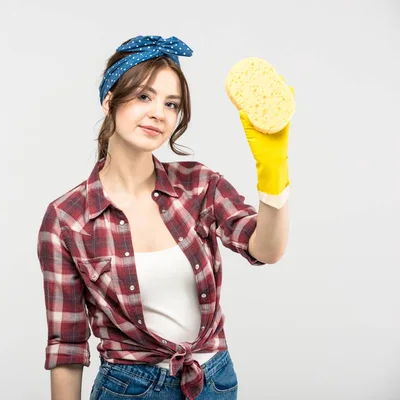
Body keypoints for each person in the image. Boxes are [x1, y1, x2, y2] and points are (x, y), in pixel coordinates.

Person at [37, 35, 291, 400]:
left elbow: (265, 249)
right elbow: (67, 343)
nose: (159, 112)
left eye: (172, 104)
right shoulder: (67, 219)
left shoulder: (199, 185)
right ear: (110, 100)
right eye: (144, 96)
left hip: (214, 381)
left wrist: (274, 175)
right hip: (129, 389)